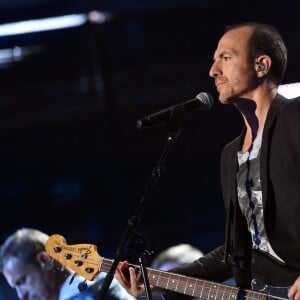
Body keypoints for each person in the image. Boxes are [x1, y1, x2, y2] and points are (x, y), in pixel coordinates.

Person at [114, 22, 300, 300]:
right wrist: (160, 282)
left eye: (225, 57)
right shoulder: (230, 156)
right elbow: (236, 252)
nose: (213, 71)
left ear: (261, 66)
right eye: (214, 60)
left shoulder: (294, 118)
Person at [0, 228, 136, 300]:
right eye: (15, 288)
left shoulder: (87, 293)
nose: (21, 296)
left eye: (22, 281)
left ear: (45, 260)